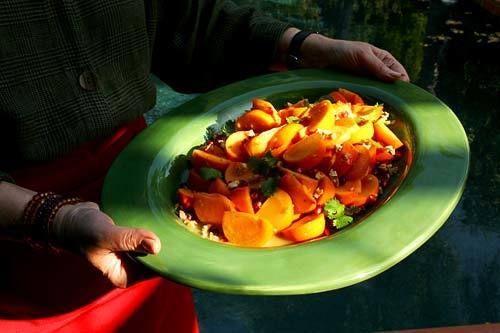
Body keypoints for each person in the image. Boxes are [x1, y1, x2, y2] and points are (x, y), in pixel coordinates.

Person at [0, 1, 409, 332]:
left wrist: (305, 45)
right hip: (18, 263)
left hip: (148, 213)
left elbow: (180, 21)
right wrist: (50, 217)